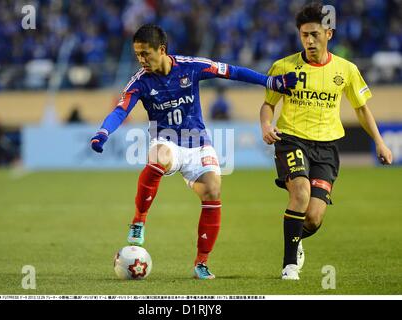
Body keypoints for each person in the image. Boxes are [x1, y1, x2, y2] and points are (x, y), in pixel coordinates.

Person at [91, 24, 297, 279]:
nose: (141, 60)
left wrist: (270, 81)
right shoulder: (140, 82)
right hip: (166, 142)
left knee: (213, 191)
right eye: (137, 55)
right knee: (159, 158)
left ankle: (201, 263)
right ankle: (139, 221)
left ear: (162, 50)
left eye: (146, 53)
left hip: (198, 144)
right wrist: (103, 132)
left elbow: (231, 72)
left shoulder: (191, 66)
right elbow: (120, 110)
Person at [259, 2, 393, 280]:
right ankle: (289, 266)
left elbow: (360, 108)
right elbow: (268, 104)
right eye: (304, 35)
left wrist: (380, 142)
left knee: (314, 217)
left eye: (314, 34)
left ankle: (296, 238)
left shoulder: (346, 70)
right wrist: (265, 124)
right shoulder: (283, 67)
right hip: (292, 139)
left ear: (328, 34)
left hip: (327, 147)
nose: (309, 40)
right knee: (300, 193)